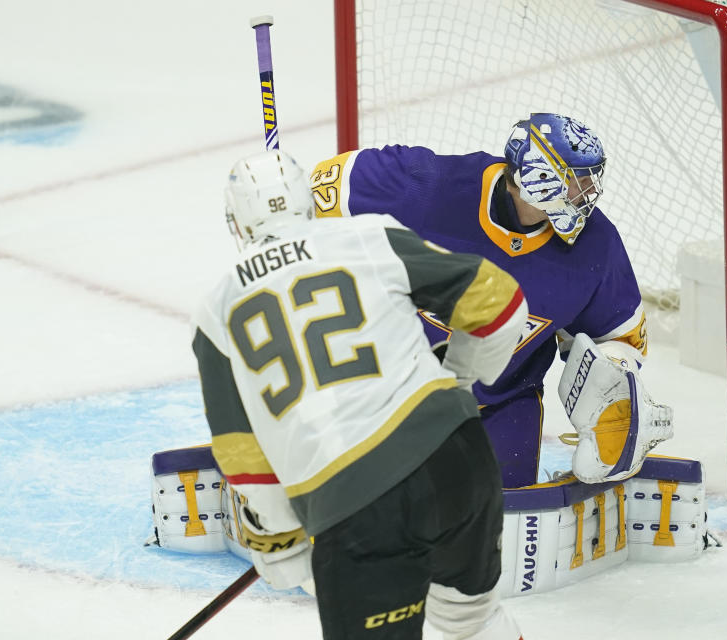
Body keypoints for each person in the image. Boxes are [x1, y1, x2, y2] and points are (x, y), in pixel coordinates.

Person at [192, 148, 527, 639]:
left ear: (236, 223)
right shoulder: (369, 235)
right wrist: (455, 379)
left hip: (354, 503)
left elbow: (242, 454)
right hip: (457, 461)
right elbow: (501, 307)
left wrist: (281, 544)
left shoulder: (216, 311)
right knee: (471, 622)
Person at [309, 112, 647, 489]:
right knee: (364, 511)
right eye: (577, 180)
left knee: (506, 528)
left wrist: (610, 386)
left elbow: (621, 337)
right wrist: (280, 219)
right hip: (386, 395)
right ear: (538, 178)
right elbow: (326, 188)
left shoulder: (595, 246)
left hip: (501, 404)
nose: (588, 193)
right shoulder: (427, 188)